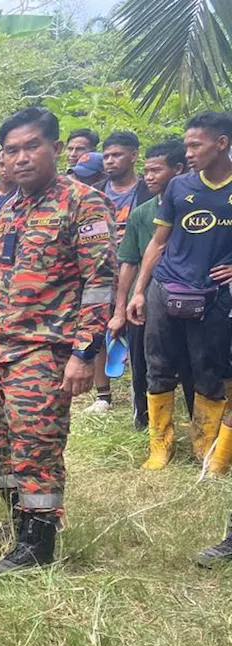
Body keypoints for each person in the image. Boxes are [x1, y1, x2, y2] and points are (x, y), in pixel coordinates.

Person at [0, 107, 115, 573]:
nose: (21, 158)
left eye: (31, 146)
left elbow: (100, 283)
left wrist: (83, 353)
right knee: (0, 447)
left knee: (36, 446)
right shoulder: (9, 210)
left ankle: (39, 546)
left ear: (56, 150)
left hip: (45, 350)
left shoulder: (83, 203)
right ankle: (20, 524)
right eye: (12, 150)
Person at [126, 112, 232, 476]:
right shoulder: (180, 187)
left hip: (215, 295)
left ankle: (205, 445)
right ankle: (160, 446)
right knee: (158, 366)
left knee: (210, 370)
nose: (188, 152)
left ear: (221, 144)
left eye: (195, 145)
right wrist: (139, 291)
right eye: (186, 145)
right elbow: (158, 242)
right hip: (166, 287)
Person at [111, 139, 192, 432]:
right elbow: (129, 262)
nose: (149, 177)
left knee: (190, 363)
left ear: (179, 169)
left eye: (157, 170)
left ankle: (200, 425)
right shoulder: (142, 214)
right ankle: (146, 422)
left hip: (189, 294)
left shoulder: (196, 207)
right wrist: (121, 308)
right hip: (145, 297)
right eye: (146, 171)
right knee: (143, 362)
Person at [84, 131, 154, 415]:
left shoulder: (148, 191)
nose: (111, 161)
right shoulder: (94, 193)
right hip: (99, 274)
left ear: (134, 155)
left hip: (138, 274)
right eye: (108, 156)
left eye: (118, 155)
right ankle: (103, 395)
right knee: (96, 330)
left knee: (140, 335)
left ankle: (145, 395)